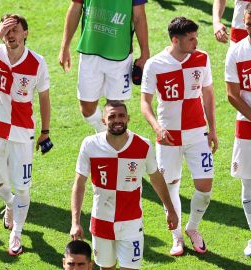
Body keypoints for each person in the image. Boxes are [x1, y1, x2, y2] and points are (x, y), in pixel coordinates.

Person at [0, 14, 52, 256]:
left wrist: (45, 131)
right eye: (7, 31)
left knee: (22, 187)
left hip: (23, 132)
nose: (10, 35)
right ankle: (9, 204)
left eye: (15, 30)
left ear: (25, 33)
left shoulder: (37, 62)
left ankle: (16, 233)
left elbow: (44, 98)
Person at [141, 17, 217, 256]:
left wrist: (212, 128)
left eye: (196, 37)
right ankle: (177, 238)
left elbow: (208, 94)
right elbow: (145, 103)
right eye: (191, 38)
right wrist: (156, 127)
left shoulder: (202, 58)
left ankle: (192, 228)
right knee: (170, 185)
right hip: (169, 137)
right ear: (176, 40)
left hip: (197, 133)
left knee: (205, 186)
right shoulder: (155, 64)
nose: (196, 42)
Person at [71, 101, 178, 270]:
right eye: (111, 116)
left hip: (132, 224)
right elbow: (79, 184)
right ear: (104, 121)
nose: (117, 120)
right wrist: (75, 222)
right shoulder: (90, 145)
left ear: (128, 118)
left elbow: (156, 178)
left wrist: (170, 210)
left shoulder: (143, 145)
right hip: (101, 223)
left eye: (121, 116)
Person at [59, 0, 149, 132]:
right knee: (87, 108)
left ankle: (111, 144)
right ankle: (103, 133)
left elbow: (139, 17)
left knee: (115, 108)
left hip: (120, 54)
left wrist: (145, 53)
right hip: (90, 50)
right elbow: (75, 8)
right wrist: (64, 46)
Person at [225, 3, 251, 256]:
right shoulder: (237, 52)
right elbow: (232, 94)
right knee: (248, 181)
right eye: (249, 24)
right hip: (246, 127)